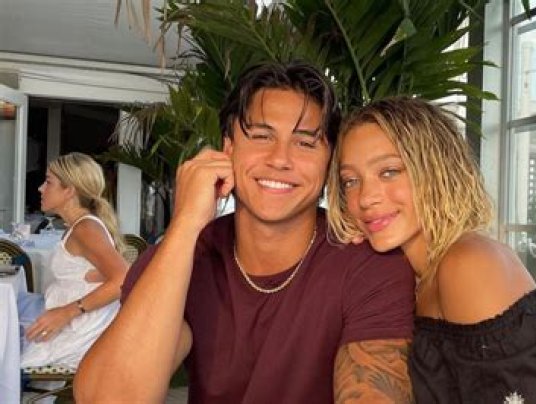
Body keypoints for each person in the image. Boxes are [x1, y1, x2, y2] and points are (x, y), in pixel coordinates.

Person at [74, 62, 415, 403]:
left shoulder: (367, 266)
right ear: (228, 149)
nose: (280, 159)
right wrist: (186, 222)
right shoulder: (182, 257)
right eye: (262, 136)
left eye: (305, 143)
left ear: (329, 162)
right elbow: (109, 399)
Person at [327, 97, 536, 403]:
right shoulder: (414, 271)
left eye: (389, 171)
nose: (365, 198)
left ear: (437, 169)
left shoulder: (468, 264)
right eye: (350, 181)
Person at [20, 152, 129, 370]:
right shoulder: (81, 226)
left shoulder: (86, 228)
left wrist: (66, 313)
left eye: (48, 182)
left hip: (78, 331)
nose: (40, 188)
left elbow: (123, 278)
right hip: (68, 319)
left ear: (69, 190)